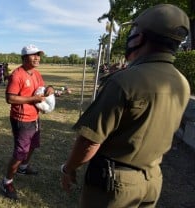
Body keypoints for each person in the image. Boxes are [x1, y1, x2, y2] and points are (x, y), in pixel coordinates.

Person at [60, 4, 190, 208]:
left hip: (115, 185)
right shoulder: (182, 82)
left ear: (140, 37)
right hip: (153, 178)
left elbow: (90, 141)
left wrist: (69, 168)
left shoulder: (125, 81)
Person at [0, 44, 54, 200]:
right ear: (24, 58)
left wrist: (49, 88)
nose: (37, 57)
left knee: (33, 145)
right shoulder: (17, 75)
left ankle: (23, 167)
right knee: (20, 153)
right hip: (21, 119)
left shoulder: (36, 73)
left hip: (35, 117)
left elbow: (42, 89)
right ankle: (7, 181)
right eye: (33, 55)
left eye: (39, 55)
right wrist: (33, 99)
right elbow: (10, 98)